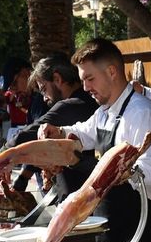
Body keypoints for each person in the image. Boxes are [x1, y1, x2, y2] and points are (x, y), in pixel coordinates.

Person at [46, 39, 151, 242]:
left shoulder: (142, 113)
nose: (85, 88)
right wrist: (60, 131)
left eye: (89, 79)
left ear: (112, 72)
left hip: (142, 227)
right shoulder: (104, 112)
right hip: (112, 226)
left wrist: (123, 172)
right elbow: (84, 132)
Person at [8, 55, 96, 196]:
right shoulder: (87, 102)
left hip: (78, 196)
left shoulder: (70, 105)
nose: (44, 98)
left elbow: (25, 136)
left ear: (57, 79)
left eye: (43, 89)